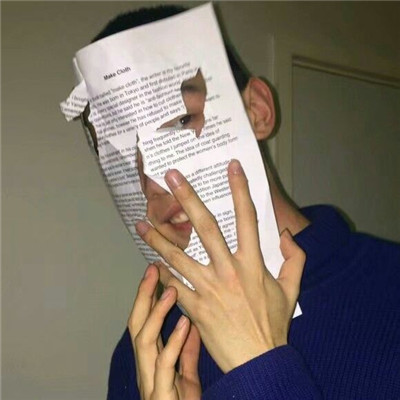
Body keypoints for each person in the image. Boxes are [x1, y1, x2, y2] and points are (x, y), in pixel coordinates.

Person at [84, 5, 400, 400]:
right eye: (120, 156)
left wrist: (259, 365)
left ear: (257, 111)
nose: (151, 182)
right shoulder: (149, 347)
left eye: (179, 122)